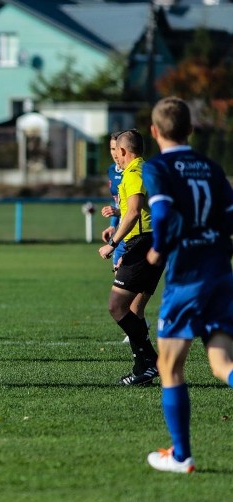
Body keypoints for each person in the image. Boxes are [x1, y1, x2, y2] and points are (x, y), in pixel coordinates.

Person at [142, 96, 233, 473]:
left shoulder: (158, 166)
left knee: (170, 366)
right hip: (220, 272)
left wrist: (158, 249)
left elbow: (160, 212)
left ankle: (181, 456)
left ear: (154, 131)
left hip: (187, 277)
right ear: (191, 130)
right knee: (223, 363)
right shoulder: (211, 167)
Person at [97, 129, 163, 385]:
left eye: (117, 152)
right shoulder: (148, 169)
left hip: (144, 243)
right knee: (133, 309)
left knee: (117, 306)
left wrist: (113, 245)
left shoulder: (134, 173)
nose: (116, 157)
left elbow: (134, 212)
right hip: (147, 243)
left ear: (124, 151)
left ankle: (153, 362)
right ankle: (142, 368)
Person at [100, 132, 126, 270]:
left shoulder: (135, 172)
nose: (115, 153)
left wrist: (118, 212)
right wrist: (112, 225)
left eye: (117, 148)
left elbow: (138, 208)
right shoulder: (112, 170)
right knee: (121, 283)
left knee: (130, 288)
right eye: (111, 149)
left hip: (136, 233)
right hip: (121, 231)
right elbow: (117, 201)